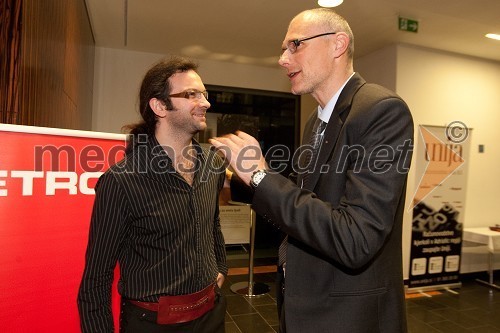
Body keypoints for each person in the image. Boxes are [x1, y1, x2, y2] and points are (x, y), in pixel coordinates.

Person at [210, 8, 413, 333]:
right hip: (304, 306)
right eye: (283, 49)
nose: (282, 59)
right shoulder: (315, 122)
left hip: (349, 317)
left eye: (295, 45)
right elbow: (306, 199)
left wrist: (260, 175)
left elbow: (355, 237)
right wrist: (234, 183)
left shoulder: (381, 111)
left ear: (337, 45)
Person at [77, 56, 228, 333]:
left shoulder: (213, 164)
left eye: (204, 94)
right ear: (159, 106)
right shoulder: (121, 181)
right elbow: (96, 280)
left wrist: (220, 267)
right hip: (153, 324)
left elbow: (213, 224)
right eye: (191, 94)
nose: (205, 103)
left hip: (211, 315)